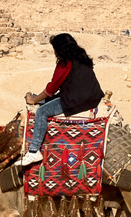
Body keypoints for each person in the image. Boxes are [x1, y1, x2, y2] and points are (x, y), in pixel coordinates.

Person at [16, 34, 104, 167]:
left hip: (76, 100)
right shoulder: (81, 57)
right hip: (91, 97)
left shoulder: (65, 63)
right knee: (45, 100)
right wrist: (38, 97)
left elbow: (52, 88)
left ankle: (34, 151)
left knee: (41, 111)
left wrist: (34, 100)